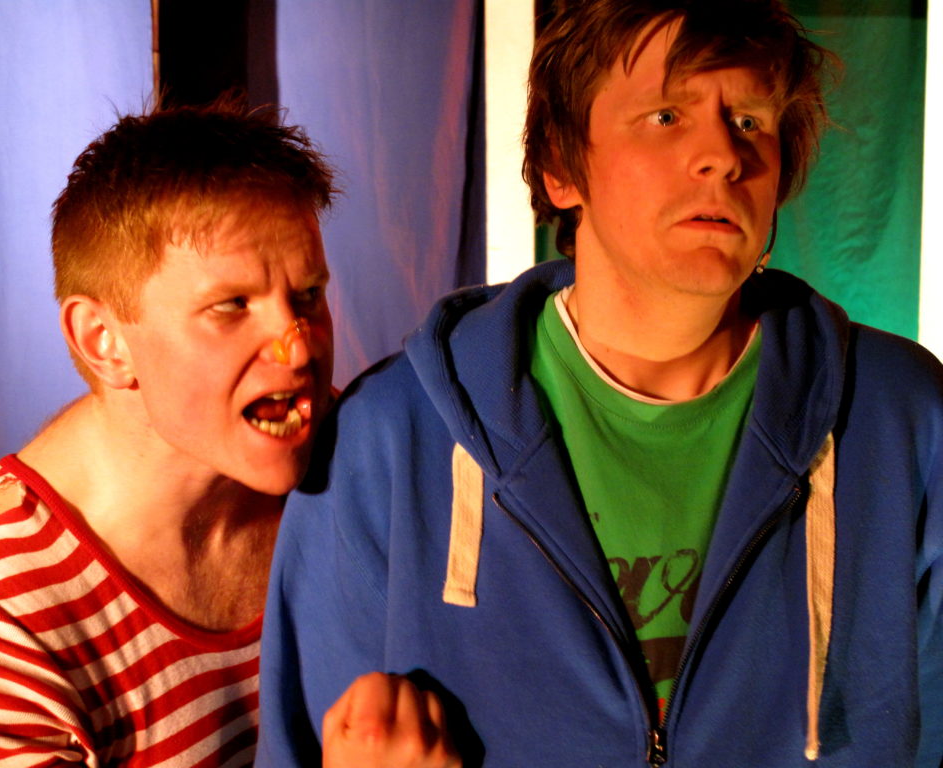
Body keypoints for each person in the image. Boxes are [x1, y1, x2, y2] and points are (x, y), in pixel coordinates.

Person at [258, 1, 943, 766]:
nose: (723, 156)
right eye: (666, 116)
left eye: (750, 121)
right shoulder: (389, 440)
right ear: (559, 165)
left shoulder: (901, 419)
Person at [0, 100, 458, 767]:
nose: (297, 349)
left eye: (307, 296)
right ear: (104, 341)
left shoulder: (361, 456)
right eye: (232, 306)